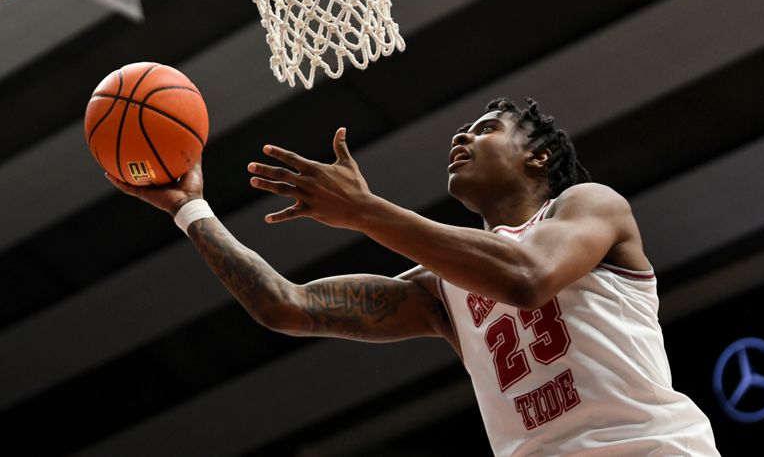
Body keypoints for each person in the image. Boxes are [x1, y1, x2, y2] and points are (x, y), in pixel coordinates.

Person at [107, 97, 719, 456]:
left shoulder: (589, 206)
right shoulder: (440, 288)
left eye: (486, 127)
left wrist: (364, 211)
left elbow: (529, 279)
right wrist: (190, 208)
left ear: (539, 156)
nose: (462, 134)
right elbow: (283, 306)